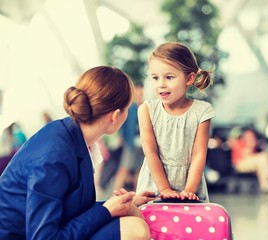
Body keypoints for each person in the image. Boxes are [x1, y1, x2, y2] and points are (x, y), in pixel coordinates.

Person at [0, 66, 154, 239]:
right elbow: (43, 237)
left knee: (133, 217)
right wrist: (105, 211)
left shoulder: (70, 134)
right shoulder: (55, 156)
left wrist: (119, 204)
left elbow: (67, 208)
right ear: (115, 115)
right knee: (135, 228)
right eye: (128, 107)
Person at [136, 42, 215, 202]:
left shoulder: (202, 112)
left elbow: (199, 154)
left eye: (169, 77)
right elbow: (151, 152)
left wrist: (189, 190)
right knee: (151, 225)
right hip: (154, 186)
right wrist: (164, 188)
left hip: (190, 185)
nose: (161, 84)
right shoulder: (147, 110)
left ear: (189, 78)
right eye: (155, 78)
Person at [113, 83, 144, 191]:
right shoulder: (130, 108)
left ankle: (137, 196)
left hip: (142, 144)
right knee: (124, 168)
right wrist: (121, 138)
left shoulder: (144, 107)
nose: (140, 93)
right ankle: (114, 195)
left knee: (140, 171)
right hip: (130, 144)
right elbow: (123, 125)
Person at [228, 127, 268, 193]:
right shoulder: (239, 143)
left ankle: (266, 185)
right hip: (239, 164)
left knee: (262, 160)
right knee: (262, 158)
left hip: (252, 163)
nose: (251, 138)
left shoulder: (254, 146)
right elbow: (245, 155)